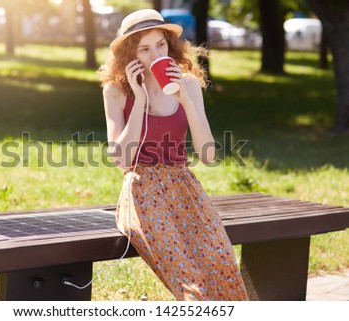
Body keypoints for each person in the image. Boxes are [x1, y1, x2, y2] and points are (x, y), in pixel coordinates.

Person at [98, 9, 248, 301]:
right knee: (189, 279)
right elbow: (121, 161)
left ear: (170, 46)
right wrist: (140, 100)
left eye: (160, 45)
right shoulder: (116, 90)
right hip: (142, 190)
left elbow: (208, 155)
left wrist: (186, 101)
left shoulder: (188, 83)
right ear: (130, 54)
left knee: (222, 264)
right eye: (144, 48)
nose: (154, 54)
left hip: (185, 187)